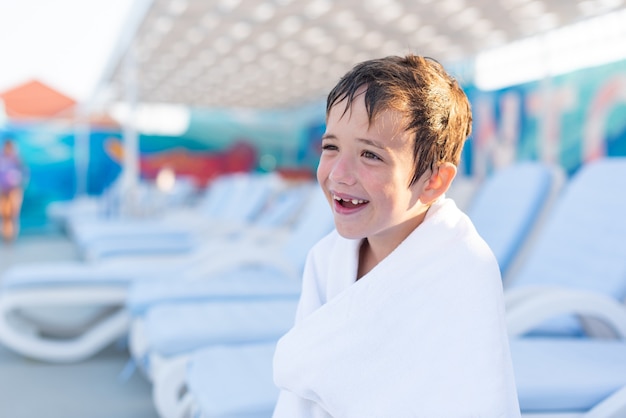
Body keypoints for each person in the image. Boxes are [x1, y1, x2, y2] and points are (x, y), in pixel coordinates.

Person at [272, 54, 520, 417]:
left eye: (370, 155)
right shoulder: (327, 258)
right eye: (331, 147)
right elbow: (300, 400)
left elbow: (475, 398)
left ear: (434, 181)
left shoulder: (464, 269)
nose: (340, 173)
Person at [0, 138, 26, 242]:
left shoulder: (18, 160)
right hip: (2, 189)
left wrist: (19, 184)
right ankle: (6, 234)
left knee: (13, 213)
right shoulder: (2, 158)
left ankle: (11, 235)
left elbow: (24, 174)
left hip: (14, 189)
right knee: (5, 213)